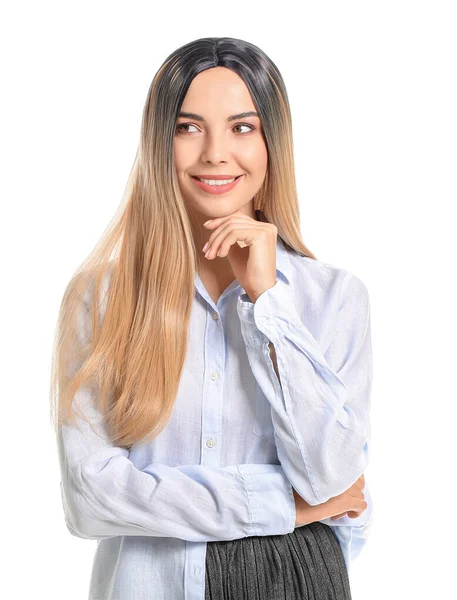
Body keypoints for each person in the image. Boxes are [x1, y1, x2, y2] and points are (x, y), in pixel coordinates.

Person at [50, 36, 374, 600]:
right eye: (188, 127)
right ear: (159, 144)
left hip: (297, 584)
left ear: (273, 143)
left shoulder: (333, 299)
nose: (215, 153)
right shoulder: (99, 299)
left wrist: (266, 304)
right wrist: (282, 506)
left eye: (242, 128)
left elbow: (335, 478)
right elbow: (90, 498)